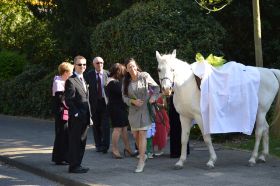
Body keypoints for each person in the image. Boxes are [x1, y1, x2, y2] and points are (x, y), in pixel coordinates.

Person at [122, 58, 160, 173]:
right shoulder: (125, 81)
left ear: (136, 66)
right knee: (136, 135)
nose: (132, 69)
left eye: (133, 66)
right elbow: (124, 97)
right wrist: (133, 102)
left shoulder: (144, 75)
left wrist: (153, 97)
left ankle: (141, 161)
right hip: (133, 112)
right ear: (127, 69)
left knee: (143, 133)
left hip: (144, 111)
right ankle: (143, 155)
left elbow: (156, 87)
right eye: (129, 67)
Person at [65, 55, 91, 173]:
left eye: (84, 64)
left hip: (85, 117)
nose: (82, 67)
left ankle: (78, 164)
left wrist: (89, 116)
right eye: (79, 64)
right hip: (77, 118)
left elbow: (86, 98)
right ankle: (73, 166)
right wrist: (76, 113)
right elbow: (68, 100)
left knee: (82, 142)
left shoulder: (84, 79)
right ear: (74, 65)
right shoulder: (71, 80)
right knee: (75, 142)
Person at [105, 63, 133, 159]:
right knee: (117, 129)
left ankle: (128, 148)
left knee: (124, 128)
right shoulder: (112, 82)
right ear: (118, 72)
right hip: (115, 108)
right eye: (123, 71)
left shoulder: (116, 81)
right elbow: (123, 93)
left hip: (120, 107)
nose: (124, 73)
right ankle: (115, 150)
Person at [85, 56, 110, 153]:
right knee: (96, 125)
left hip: (105, 103)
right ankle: (98, 145)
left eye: (101, 63)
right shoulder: (89, 75)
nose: (100, 65)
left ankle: (105, 146)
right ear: (93, 64)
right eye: (97, 63)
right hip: (94, 104)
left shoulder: (108, 74)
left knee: (106, 125)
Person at [51, 62, 73, 165]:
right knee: (62, 134)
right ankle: (60, 158)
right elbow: (61, 100)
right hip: (61, 112)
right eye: (70, 71)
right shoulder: (58, 82)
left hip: (63, 111)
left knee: (64, 134)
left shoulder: (61, 81)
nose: (72, 73)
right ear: (65, 72)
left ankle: (61, 157)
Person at [168, 93, 190, 158]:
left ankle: (176, 152)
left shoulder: (173, 97)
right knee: (182, 132)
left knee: (177, 133)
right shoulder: (183, 96)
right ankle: (183, 151)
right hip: (179, 116)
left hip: (176, 117)